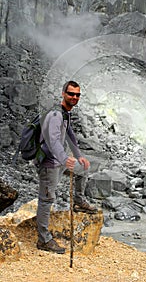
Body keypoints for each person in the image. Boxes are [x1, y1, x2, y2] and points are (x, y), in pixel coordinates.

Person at [36, 80, 97, 254]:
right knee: (46, 199)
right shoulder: (55, 115)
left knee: (83, 168)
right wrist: (65, 159)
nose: (74, 97)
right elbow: (53, 140)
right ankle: (44, 240)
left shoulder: (65, 112)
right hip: (49, 163)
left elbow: (70, 134)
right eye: (71, 94)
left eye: (77, 95)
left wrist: (79, 157)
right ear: (63, 93)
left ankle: (78, 201)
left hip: (60, 161)